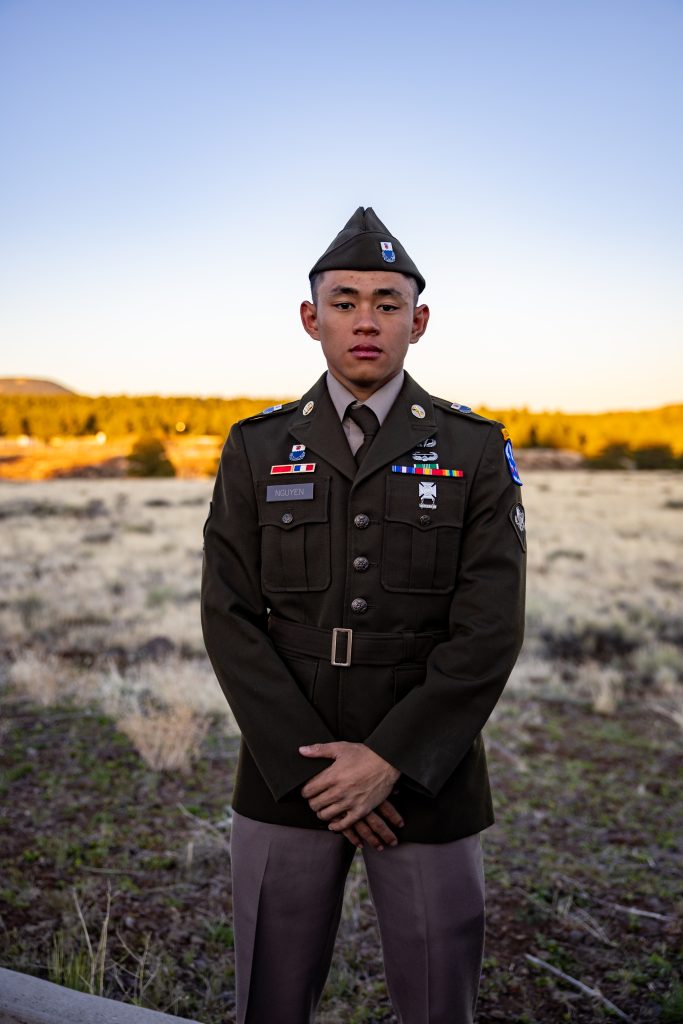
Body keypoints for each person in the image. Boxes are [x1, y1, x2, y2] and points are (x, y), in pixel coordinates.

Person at [201, 207, 526, 1024]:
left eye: (387, 303)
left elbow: (488, 629)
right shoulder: (256, 447)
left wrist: (391, 760)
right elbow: (229, 616)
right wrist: (314, 769)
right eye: (344, 302)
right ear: (311, 319)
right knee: (269, 996)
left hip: (428, 770)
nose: (365, 321)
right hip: (288, 771)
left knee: (435, 997)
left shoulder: (472, 449)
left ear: (417, 321)